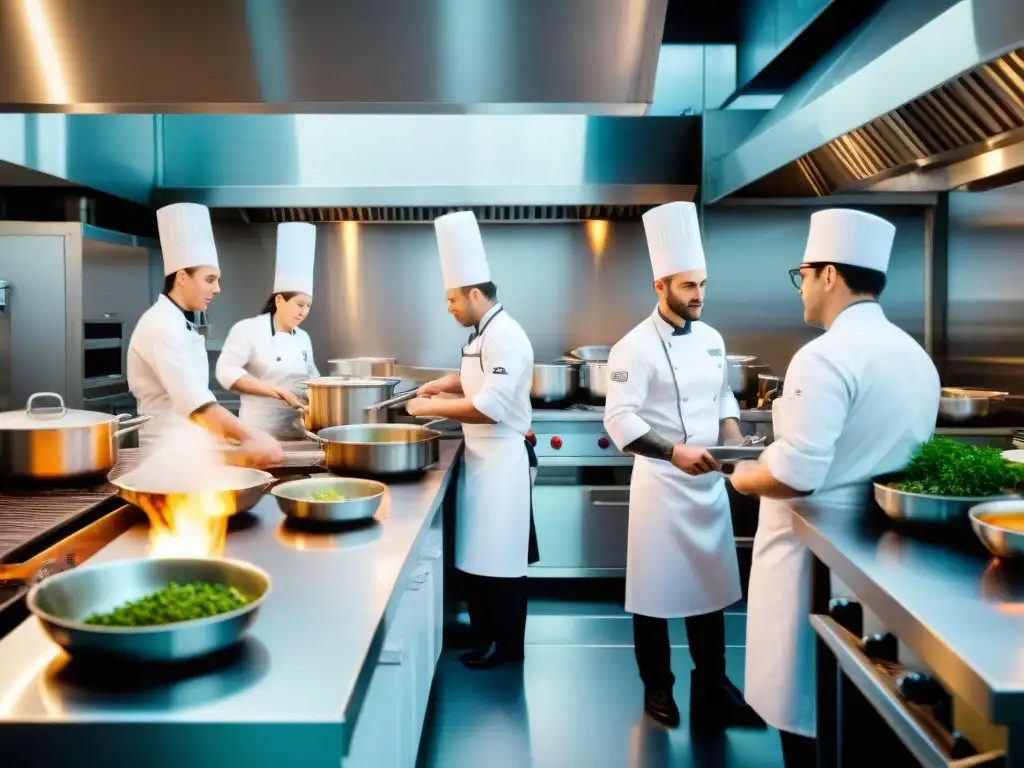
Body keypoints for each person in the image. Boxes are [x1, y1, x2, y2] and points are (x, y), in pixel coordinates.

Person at [727, 209, 941, 766]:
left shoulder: (822, 356)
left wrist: (743, 477)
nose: (801, 291)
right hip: (883, 558)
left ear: (827, 274)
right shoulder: (915, 356)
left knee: (805, 708)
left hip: (812, 558)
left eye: (802, 276)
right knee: (862, 717)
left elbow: (796, 473)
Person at [603, 201, 764, 730]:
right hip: (661, 487)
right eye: (688, 286)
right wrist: (674, 452)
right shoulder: (633, 347)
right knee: (653, 594)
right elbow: (619, 422)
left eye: (702, 284)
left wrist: (736, 443)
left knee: (712, 591)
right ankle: (657, 687)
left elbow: (722, 400)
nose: (699, 295)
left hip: (709, 484)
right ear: (661, 287)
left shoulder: (714, 339)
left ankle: (714, 686)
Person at [405, 210, 539, 670]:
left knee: (503, 559)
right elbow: (476, 379)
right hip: (482, 459)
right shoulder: (483, 333)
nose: (449, 307)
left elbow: (491, 406)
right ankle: (488, 637)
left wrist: (430, 408)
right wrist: (445, 384)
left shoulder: (506, 336)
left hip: (502, 458)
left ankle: (507, 649)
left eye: (452, 299)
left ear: (475, 294)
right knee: (482, 554)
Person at [127, 202, 283, 467]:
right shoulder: (161, 325)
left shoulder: (181, 320)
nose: (218, 289)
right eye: (210, 279)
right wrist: (252, 437)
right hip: (167, 462)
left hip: (190, 454)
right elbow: (196, 404)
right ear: (182, 277)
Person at [216, 222, 320, 439]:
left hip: (299, 434)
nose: (304, 312)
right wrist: (277, 391)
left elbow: (312, 378)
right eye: (300, 305)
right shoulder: (248, 329)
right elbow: (226, 372)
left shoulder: (302, 337)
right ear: (280, 300)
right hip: (259, 436)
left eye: (308, 306)